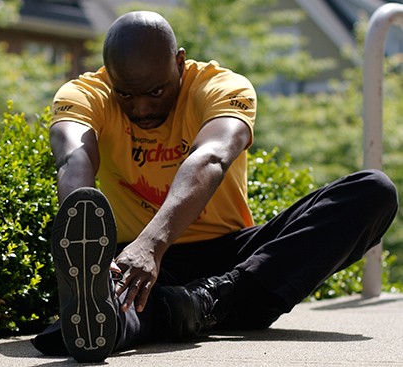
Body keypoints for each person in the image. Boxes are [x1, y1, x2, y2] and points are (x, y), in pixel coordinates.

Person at [32, 10, 399, 362]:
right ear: (110, 77)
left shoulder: (222, 87)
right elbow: (72, 158)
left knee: (373, 192)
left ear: (179, 62)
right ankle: (128, 316)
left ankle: (208, 300)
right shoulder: (83, 94)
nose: (141, 108)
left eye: (155, 92)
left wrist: (152, 243)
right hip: (137, 262)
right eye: (126, 95)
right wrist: (87, 232)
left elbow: (210, 157)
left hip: (236, 265)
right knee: (132, 300)